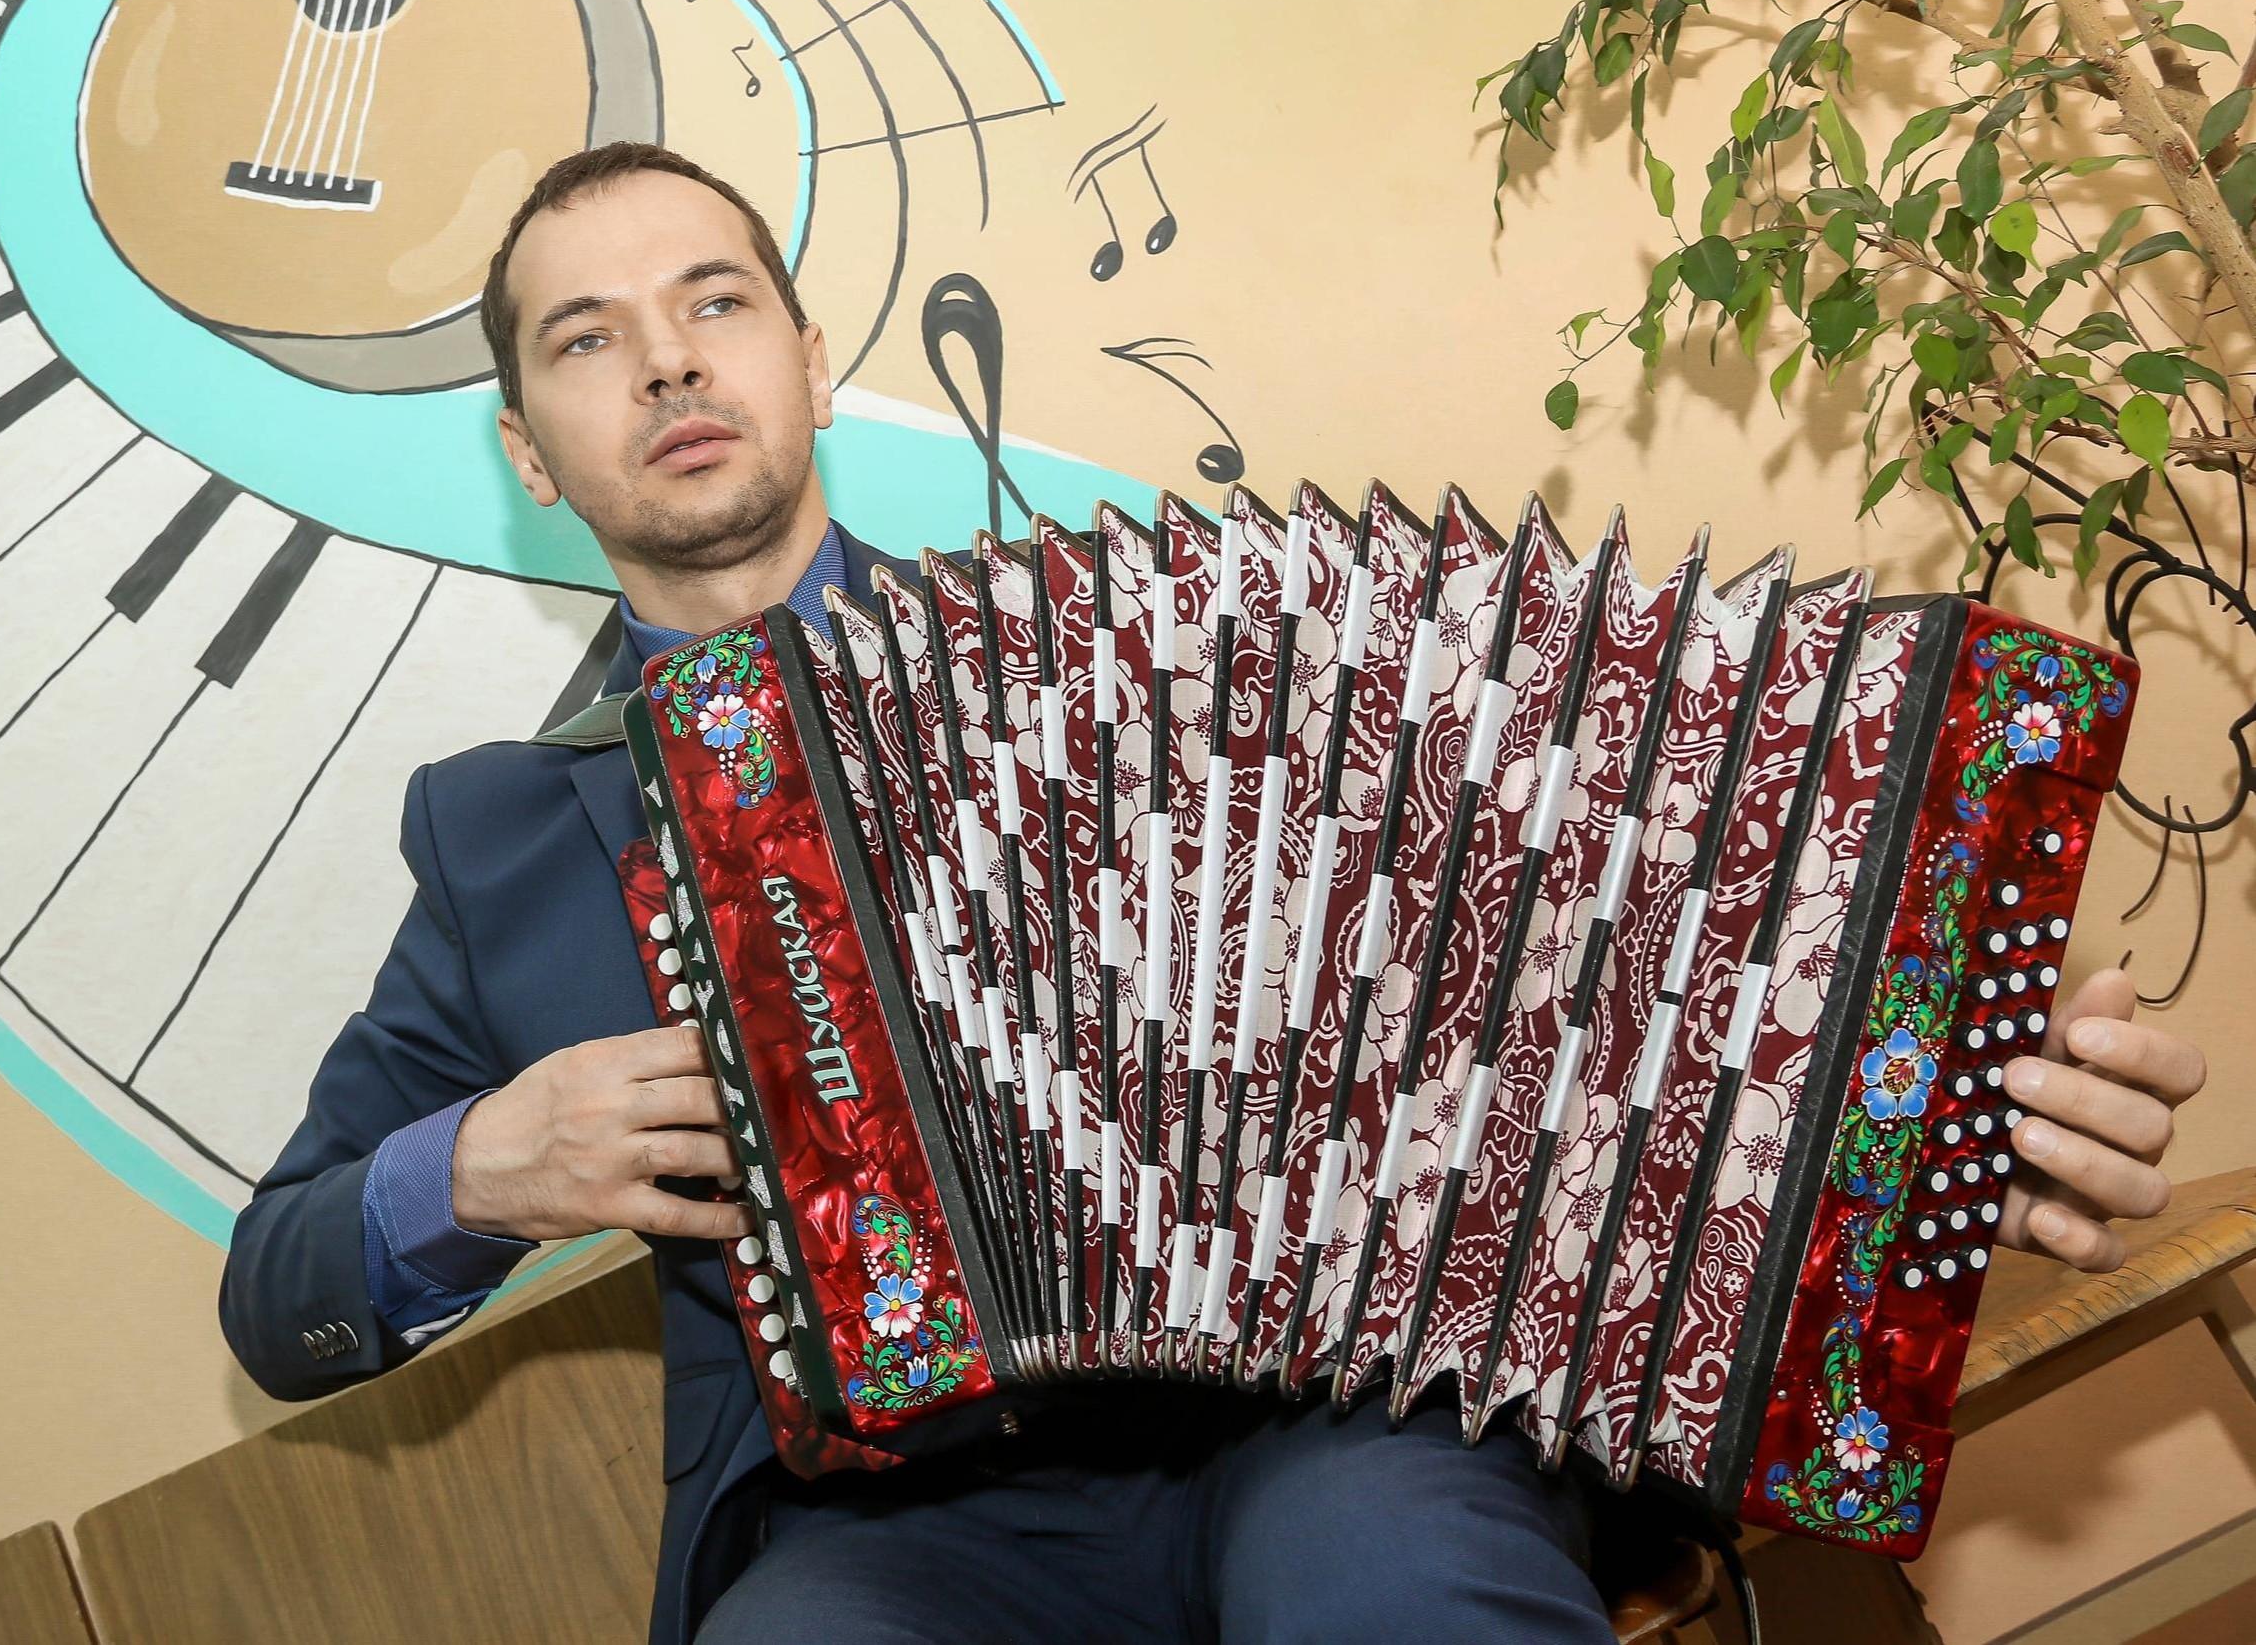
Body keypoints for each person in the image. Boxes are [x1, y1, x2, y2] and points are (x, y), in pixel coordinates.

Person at [218, 142, 2211, 1645]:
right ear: (530, 451)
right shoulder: (498, 842)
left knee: (1401, 1592)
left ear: (807, 358)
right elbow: (277, 1290)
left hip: (1322, 1422)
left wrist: (1942, 1079)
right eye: (586, 338)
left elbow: (1598, 939)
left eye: (713, 298)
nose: (666, 357)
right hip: (881, 1540)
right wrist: (477, 1164)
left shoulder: (1176, 640)